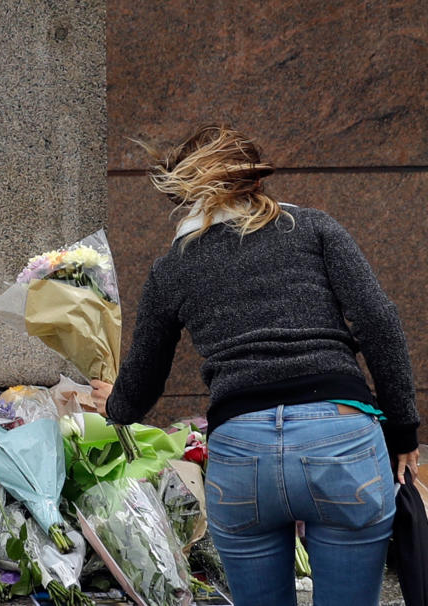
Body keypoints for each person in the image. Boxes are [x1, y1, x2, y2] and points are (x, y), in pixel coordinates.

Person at [88, 124, 420, 606]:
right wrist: (404, 430)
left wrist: (113, 405)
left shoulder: (173, 266)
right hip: (341, 441)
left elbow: (143, 379)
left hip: (242, 456)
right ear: (257, 182)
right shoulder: (313, 227)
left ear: (185, 193)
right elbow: (379, 322)